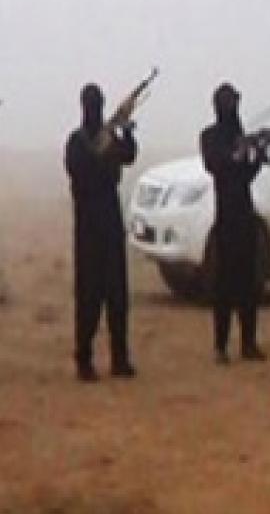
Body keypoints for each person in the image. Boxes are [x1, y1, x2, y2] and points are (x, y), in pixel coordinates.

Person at [64, 84, 138, 382]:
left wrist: (126, 132)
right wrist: (103, 150)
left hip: (111, 223)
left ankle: (120, 359)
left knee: (117, 296)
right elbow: (79, 172)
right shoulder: (76, 142)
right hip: (88, 229)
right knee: (89, 298)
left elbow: (128, 156)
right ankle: (84, 360)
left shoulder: (108, 136)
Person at [200, 83, 267, 364]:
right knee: (223, 286)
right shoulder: (210, 137)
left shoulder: (237, 135)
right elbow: (216, 166)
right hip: (226, 219)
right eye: (230, 103)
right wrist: (238, 153)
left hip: (244, 215)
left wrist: (257, 157)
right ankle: (221, 345)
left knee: (249, 284)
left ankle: (249, 343)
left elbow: (245, 176)